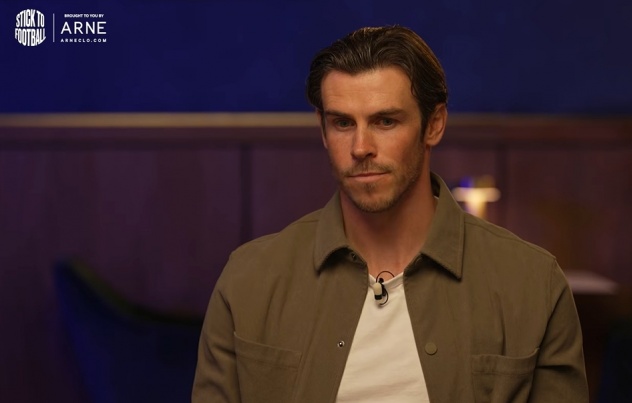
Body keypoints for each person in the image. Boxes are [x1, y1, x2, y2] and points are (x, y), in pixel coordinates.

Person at [192, 25, 588, 402]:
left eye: (385, 121)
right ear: (323, 130)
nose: (360, 147)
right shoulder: (249, 280)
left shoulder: (532, 284)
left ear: (434, 125)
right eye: (342, 123)